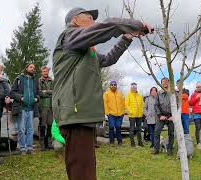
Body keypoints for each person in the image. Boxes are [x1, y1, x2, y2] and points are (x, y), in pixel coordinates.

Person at [52, 7, 152, 179]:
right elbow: (106, 26)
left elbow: (108, 59)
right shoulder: (68, 37)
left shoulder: (85, 51)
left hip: (84, 116)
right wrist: (135, 25)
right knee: (82, 173)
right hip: (76, 116)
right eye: (90, 18)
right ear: (76, 20)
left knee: (86, 169)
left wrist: (127, 38)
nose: (94, 22)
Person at [11, 63, 40, 155]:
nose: (33, 69)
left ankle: (29, 148)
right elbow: (12, 92)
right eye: (31, 67)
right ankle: (22, 148)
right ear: (26, 68)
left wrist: (37, 98)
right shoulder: (19, 79)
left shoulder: (35, 80)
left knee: (30, 129)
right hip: (21, 108)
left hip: (31, 108)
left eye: (34, 68)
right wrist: (20, 97)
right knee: (21, 129)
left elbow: (38, 93)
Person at [152, 78, 175, 155]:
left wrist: (173, 116)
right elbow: (156, 105)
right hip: (161, 116)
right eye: (163, 82)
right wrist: (159, 115)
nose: (165, 83)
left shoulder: (173, 92)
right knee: (156, 132)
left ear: (169, 82)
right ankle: (156, 148)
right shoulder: (158, 94)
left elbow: (177, 104)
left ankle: (169, 148)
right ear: (161, 83)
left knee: (171, 133)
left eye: (166, 81)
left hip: (171, 116)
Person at [103, 80, 125, 145]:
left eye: (114, 85)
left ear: (116, 85)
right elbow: (105, 104)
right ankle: (112, 142)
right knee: (111, 127)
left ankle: (120, 142)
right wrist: (107, 113)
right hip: (111, 114)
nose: (113, 86)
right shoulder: (106, 94)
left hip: (119, 115)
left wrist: (123, 112)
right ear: (110, 86)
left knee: (118, 128)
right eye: (112, 85)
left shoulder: (120, 93)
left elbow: (123, 103)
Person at [38, 66, 53, 151]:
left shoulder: (52, 80)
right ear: (41, 72)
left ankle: (49, 143)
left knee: (50, 125)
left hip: (51, 106)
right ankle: (42, 144)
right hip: (42, 106)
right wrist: (49, 92)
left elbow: (55, 91)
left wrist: (46, 91)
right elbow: (40, 93)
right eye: (43, 71)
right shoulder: (39, 81)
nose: (45, 73)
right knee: (42, 126)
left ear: (48, 71)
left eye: (46, 71)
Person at [125, 82, 144, 147]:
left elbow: (142, 105)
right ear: (131, 88)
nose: (134, 88)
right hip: (132, 115)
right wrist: (131, 111)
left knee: (139, 129)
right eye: (133, 87)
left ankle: (140, 143)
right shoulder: (128, 95)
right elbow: (127, 105)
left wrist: (141, 112)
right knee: (132, 129)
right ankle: (132, 143)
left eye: (135, 87)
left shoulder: (140, 96)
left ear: (136, 88)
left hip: (139, 115)